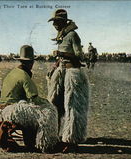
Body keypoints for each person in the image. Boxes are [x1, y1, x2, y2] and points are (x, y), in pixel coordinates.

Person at [0, 45, 59, 153]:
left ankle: (33, 141)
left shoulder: (13, 72)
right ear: (31, 63)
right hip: (14, 110)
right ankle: (46, 144)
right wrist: (47, 103)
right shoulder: (24, 76)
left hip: (4, 110)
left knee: (36, 110)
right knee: (49, 112)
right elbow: (34, 98)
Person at [47, 9, 90, 152]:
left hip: (73, 73)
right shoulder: (62, 36)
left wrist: (62, 53)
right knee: (55, 103)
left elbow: (80, 56)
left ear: (64, 22)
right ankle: (56, 134)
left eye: (57, 22)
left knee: (72, 105)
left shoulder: (73, 35)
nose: (55, 25)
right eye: (54, 23)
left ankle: (72, 139)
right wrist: (55, 66)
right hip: (62, 72)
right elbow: (61, 59)